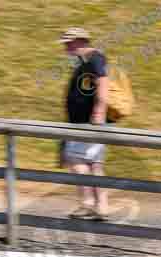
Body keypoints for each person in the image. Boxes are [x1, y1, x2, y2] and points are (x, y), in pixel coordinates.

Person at [59, 27, 110, 221]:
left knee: (76, 160)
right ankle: (101, 206)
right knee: (94, 163)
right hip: (83, 121)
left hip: (88, 121)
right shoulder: (85, 60)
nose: (66, 47)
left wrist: (99, 112)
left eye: (69, 43)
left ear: (81, 41)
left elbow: (103, 84)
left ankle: (89, 203)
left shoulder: (95, 58)